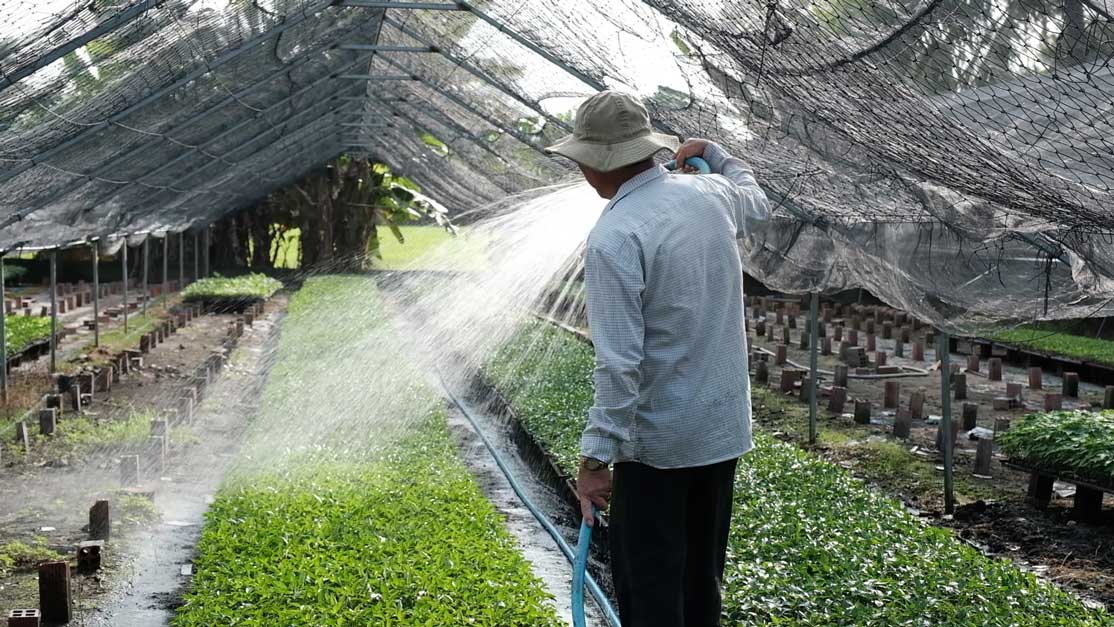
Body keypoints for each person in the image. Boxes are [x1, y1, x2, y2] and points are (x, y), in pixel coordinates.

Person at [544, 90, 770, 627]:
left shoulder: (615, 237)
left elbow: (619, 365)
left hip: (657, 449)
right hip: (718, 435)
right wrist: (715, 152)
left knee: (650, 595)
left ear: (595, 163)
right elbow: (755, 198)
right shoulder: (709, 194)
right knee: (699, 586)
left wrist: (595, 461)